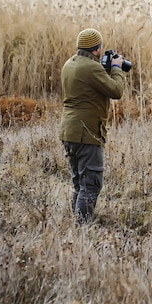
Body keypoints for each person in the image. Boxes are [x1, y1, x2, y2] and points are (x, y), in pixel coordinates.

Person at [59, 28, 126, 224]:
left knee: (80, 183)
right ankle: (82, 230)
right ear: (97, 50)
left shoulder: (69, 64)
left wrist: (104, 72)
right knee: (91, 185)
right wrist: (116, 69)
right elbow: (116, 90)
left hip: (69, 132)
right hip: (86, 133)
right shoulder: (91, 68)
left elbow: (88, 87)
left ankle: (76, 225)